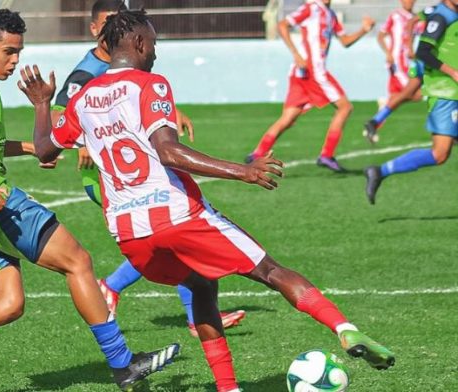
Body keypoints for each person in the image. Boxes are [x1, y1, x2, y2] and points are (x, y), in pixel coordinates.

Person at [19, 9, 395, 392]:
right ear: (137, 43)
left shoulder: (83, 98)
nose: (155, 52)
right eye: (153, 43)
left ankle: (228, 388)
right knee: (270, 271)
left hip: (128, 233)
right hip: (177, 215)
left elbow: (46, 150)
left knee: (201, 286)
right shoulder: (150, 84)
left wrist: (41, 104)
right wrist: (242, 170)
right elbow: (168, 152)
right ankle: (345, 329)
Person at [0, 9, 179, 392]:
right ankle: (124, 365)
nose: (15, 60)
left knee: (7, 304)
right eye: (8, 51)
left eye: (19, 51)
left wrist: (32, 148)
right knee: (78, 262)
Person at [52, 0, 244, 336]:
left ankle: (191, 313)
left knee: (163, 235)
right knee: (157, 233)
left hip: (136, 170)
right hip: (111, 176)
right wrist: (83, 143)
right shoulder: (85, 72)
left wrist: (174, 113)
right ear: (96, 29)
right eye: (111, 21)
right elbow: (60, 114)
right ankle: (115, 288)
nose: (120, 25)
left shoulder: (124, 66)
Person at [246, 0, 376, 172]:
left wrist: (364, 29)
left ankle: (256, 154)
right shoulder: (312, 8)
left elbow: (344, 41)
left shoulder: (330, 15)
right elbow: (283, 25)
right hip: (314, 71)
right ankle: (327, 155)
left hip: (301, 73)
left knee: (289, 118)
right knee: (345, 107)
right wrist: (296, 54)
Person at [365, 0, 458, 204]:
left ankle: (376, 121)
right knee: (439, 153)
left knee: (408, 93)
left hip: (449, 86)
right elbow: (421, 46)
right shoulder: (439, 14)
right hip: (444, 90)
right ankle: (379, 168)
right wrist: (408, 46)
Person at [364, 2, 434, 144]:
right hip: (397, 62)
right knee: (414, 94)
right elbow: (381, 35)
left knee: (406, 95)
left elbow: (422, 34)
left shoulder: (416, 18)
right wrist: (388, 52)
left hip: (411, 63)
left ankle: (377, 120)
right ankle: (378, 117)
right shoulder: (395, 16)